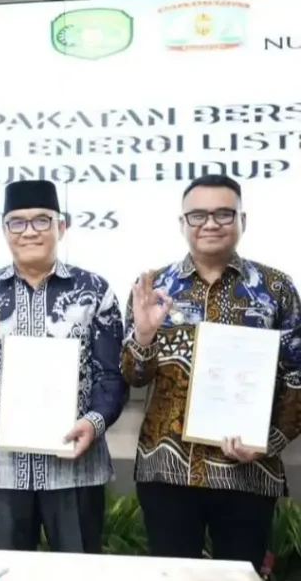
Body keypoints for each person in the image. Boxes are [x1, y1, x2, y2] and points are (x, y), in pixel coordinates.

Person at [122, 174, 301, 573]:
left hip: (248, 471)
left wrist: (267, 442)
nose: (210, 223)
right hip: (166, 469)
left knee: (240, 575)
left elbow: (296, 378)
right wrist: (144, 335)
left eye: (223, 213)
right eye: (198, 215)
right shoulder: (153, 288)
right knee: (172, 576)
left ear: (242, 220)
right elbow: (133, 377)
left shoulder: (276, 289)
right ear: (182, 223)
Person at [0, 179, 127, 553]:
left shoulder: (94, 291)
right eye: (17, 222)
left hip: (75, 467)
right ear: (4, 230)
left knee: (78, 573)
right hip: (4, 471)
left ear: (61, 226)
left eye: (41, 220)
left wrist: (94, 423)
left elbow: (112, 375)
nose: (29, 231)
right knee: (10, 572)